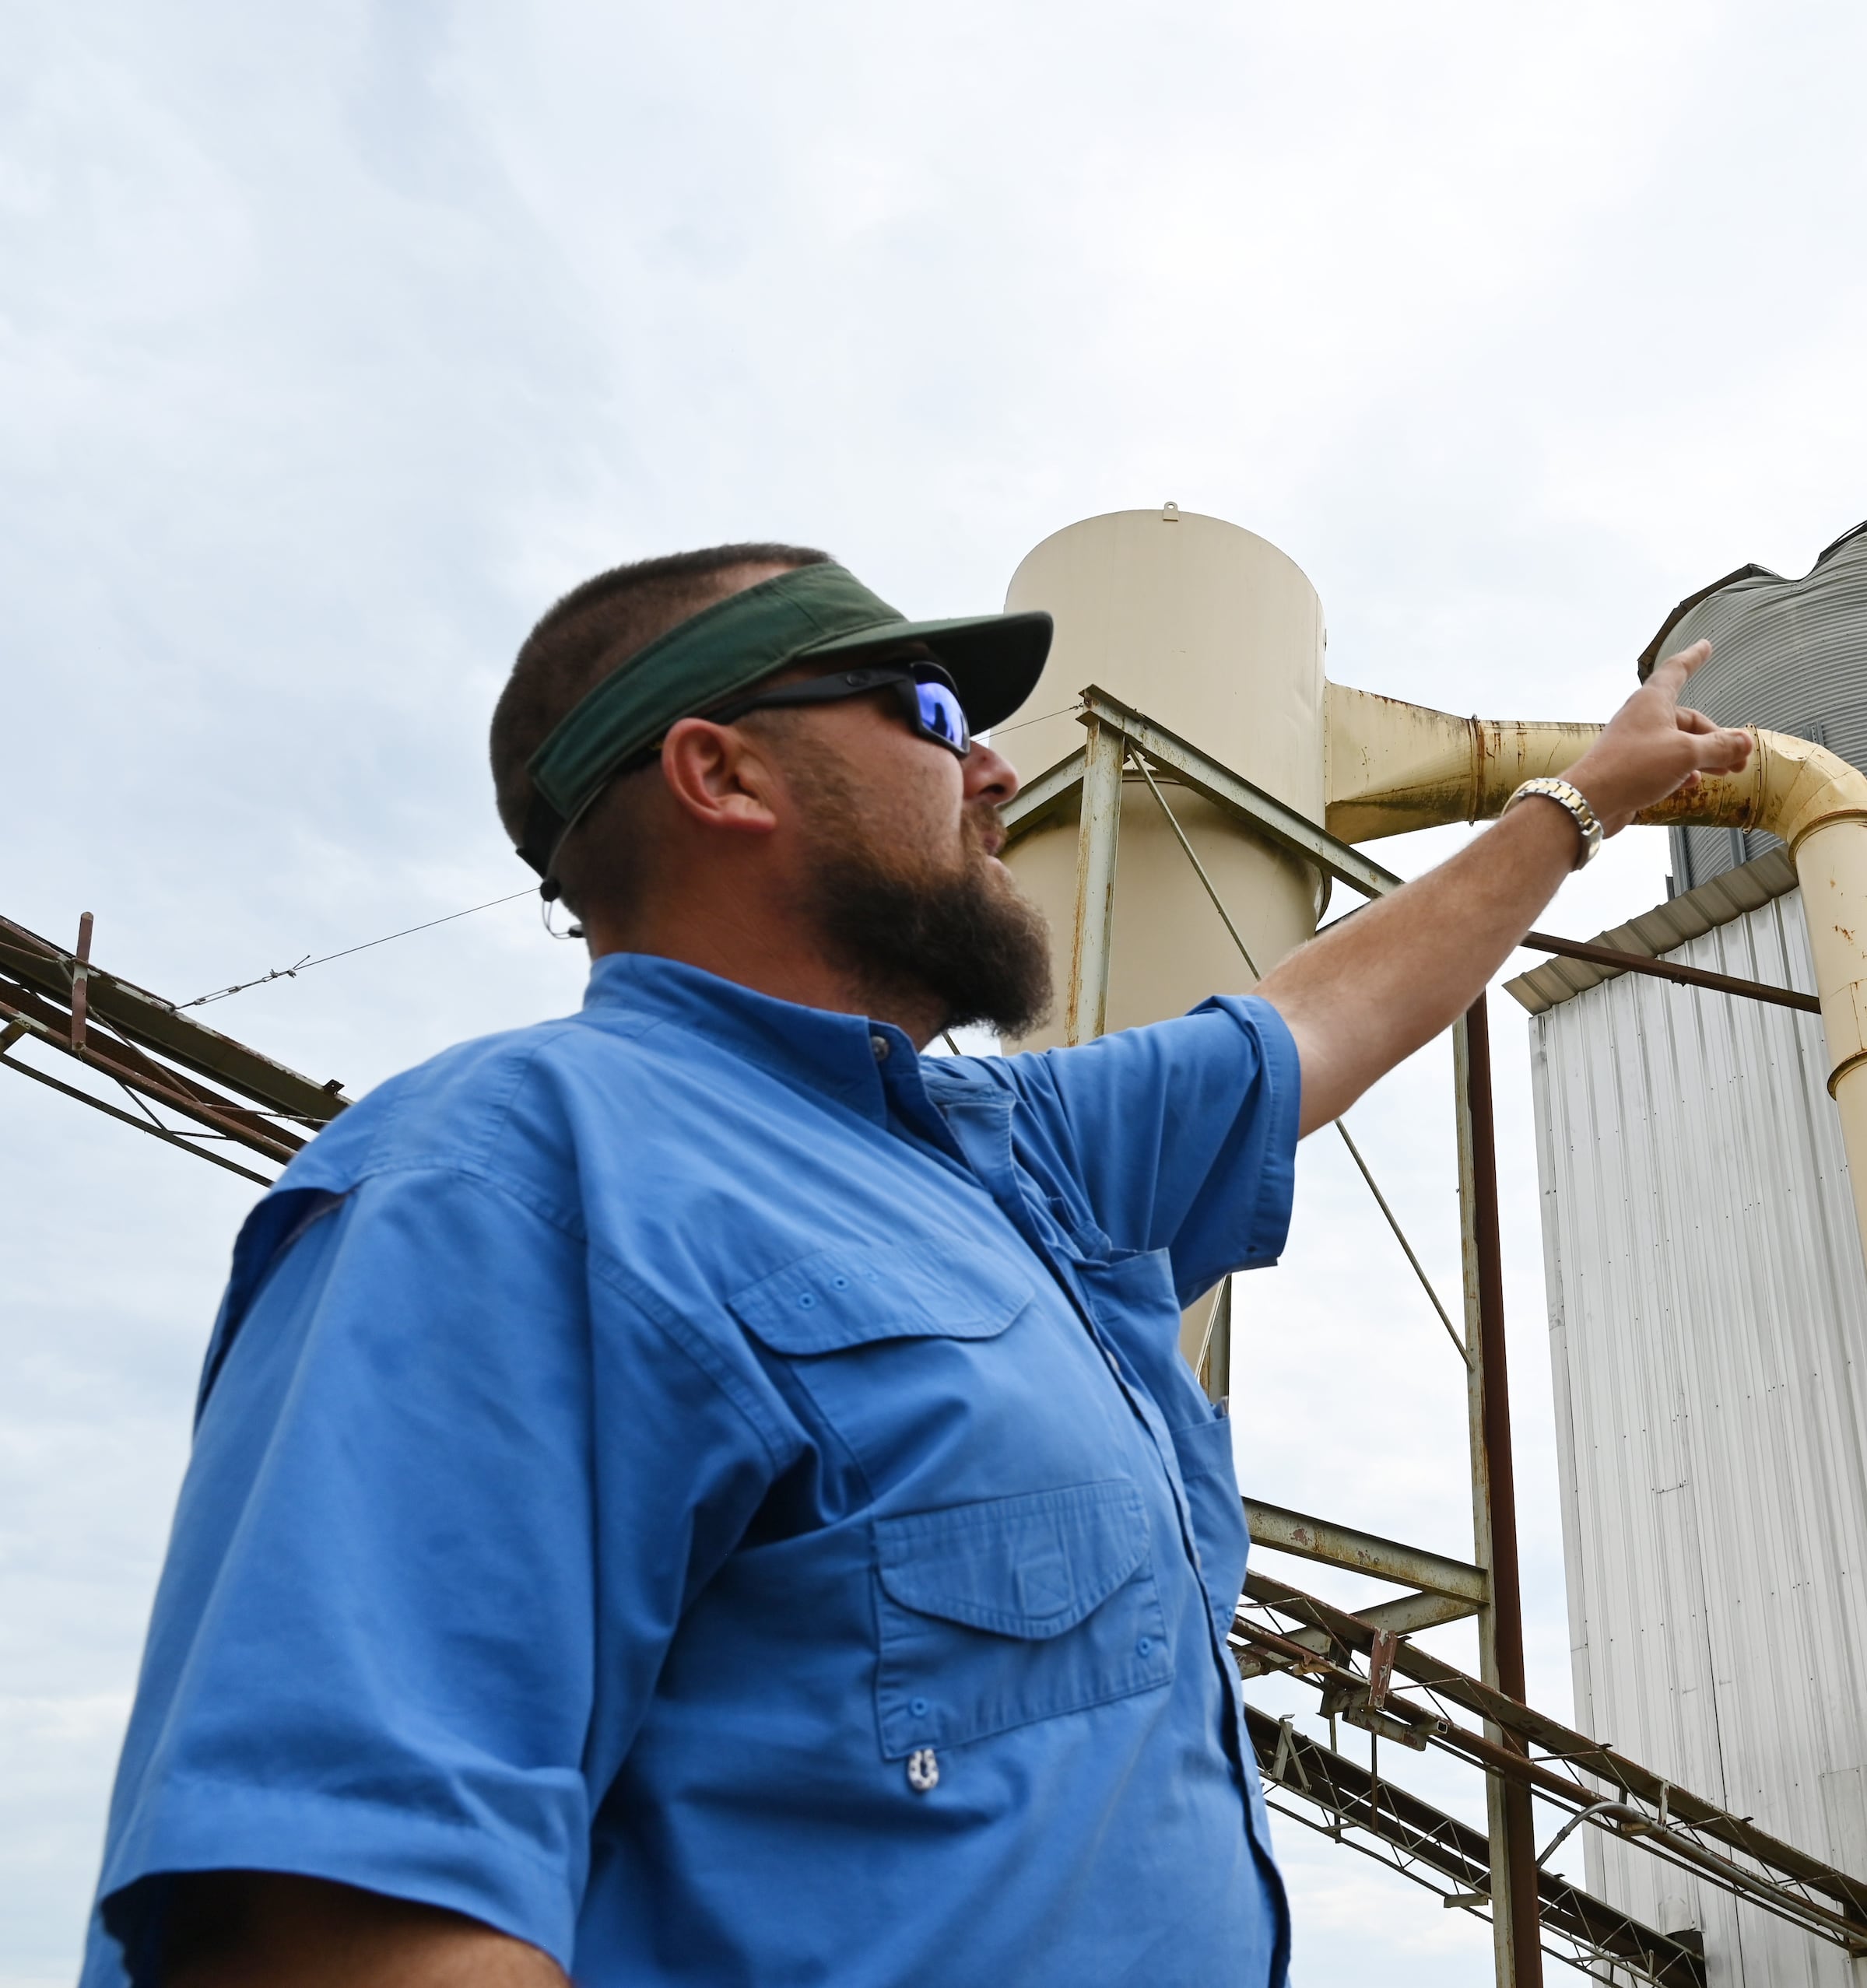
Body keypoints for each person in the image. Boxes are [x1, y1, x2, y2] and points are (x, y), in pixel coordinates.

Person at [81, 543, 1747, 1987]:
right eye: (934, 718)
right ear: (722, 775)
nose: (1000, 771)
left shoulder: (1014, 1155)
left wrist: (1574, 803)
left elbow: (1319, 1015)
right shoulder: (513, 1182)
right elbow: (340, 1926)